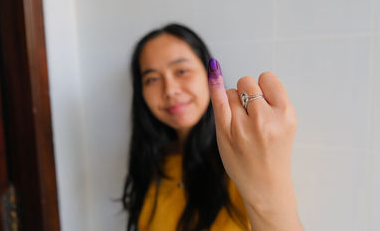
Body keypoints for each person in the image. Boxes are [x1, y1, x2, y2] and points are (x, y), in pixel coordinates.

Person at [122, 23, 303, 231]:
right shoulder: (152, 161)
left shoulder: (241, 155)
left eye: (181, 71)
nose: (170, 90)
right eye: (152, 78)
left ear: (207, 74)